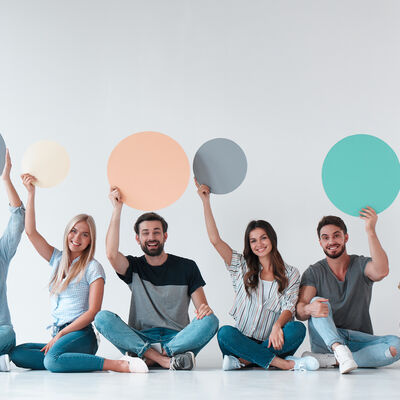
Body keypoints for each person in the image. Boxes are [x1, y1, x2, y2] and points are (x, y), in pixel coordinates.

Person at [10, 174, 148, 373]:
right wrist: (31, 193)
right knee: (17, 354)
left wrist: (61, 335)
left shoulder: (93, 268)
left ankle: (118, 364)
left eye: (85, 234)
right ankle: (68, 360)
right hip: (60, 335)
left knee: (51, 362)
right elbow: (31, 232)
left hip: (80, 335)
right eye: (74, 231)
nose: (77, 238)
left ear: (90, 240)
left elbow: (93, 312)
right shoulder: (56, 259)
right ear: (67, 232)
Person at [196, 181, 319, 371]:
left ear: (272, 239)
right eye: (253, 240)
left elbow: (289, 307)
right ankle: (280, 363)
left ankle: (246, 361)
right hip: (240, 340)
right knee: (225, 333)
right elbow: (215, 240)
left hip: (273, 340)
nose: (259, 244)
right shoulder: (240, 265)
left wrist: (277, 326)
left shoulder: (291, 273)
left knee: (298, 329)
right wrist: (206, 201)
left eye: (263, 238)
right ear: (249, 245)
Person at [94, 187, 219, 371]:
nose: (151, 237)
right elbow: (111, 254)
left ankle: (151, 357)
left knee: (211, 321)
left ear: (165, 236)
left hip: (177, 339)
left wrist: (205, 310)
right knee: (102, 318)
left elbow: (202, 310)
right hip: (141, 338)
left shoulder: (187, 267)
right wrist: (117, 209)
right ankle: (165, 359)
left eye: (156, 232)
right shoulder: (134, 267)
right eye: (145, 233)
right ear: (138, 238)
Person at [296, 208, 400, 374]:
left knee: (396, 346)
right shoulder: (314, 272)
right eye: (325, 238)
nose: (331, 241)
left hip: (359, 338)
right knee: (317, 301)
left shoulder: (360, 264)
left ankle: (330, 360)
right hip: (326, 341)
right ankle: (338, 350)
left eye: (336, 235)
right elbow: (300, 312)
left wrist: (370, 231)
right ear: (320, 242)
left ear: (346, 237)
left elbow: (381, 271)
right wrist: (309, 308)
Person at [0, 150, 25, 372]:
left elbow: (18, 217)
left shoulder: (1, 252)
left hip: (0, 332)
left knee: (7, 334)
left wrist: (6, 179)